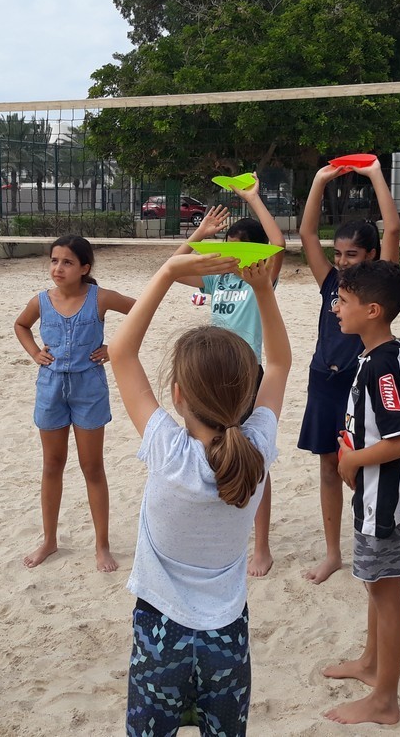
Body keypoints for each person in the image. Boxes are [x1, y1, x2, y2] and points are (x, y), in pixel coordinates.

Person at [108, 251, 290, 737]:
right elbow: (279, 360)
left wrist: (169, 271)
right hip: (226, 637)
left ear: (179, 396)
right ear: (247, 393)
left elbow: (121, 352)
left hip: (160, 634)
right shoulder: (256, 447)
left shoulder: (168, 451)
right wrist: (264, 290)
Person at [172, 174, 286, 576]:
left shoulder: (261, 282)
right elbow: (170, 268)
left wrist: (254, 197)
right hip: (210, 368)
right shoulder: (218, 277)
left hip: (246, 371)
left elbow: (279, 245)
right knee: (208, 446)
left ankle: (262, 546)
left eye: (242, 250)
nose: (233, 257)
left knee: (253, 453)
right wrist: (201, 232)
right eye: (228, 249)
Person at [297, 158, 400, 583]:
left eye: (351, 254)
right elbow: (306, 233)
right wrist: (320, 180)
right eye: (338, 253)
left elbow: (392, 228)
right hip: (324, 379)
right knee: (328, 466)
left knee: (363, 467)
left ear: (372, 255)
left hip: (361, 383)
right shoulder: (329, 284)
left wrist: (375, 172)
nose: (341, 261)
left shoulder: (380, 284)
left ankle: (376, 541)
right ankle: (333, 553)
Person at [321, 261, 400, 726]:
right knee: (376, 586)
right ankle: (372, 662)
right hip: (373, 491)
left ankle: (385, 699)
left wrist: (354, 460)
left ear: (373, 310)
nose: (336, 308)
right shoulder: (382, 354)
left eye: (344, 301)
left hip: (383, 499)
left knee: (385, 591)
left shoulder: (382, 366)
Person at [13, 236, 136, 572]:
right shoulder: (41, 300)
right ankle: (50, 541)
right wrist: (34, 351)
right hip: (50, 389)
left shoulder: (100, 298)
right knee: (52, 465)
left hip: (89, 390)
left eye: (67, 262)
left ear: (85, 268)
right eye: (54, 261)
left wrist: (115, 348)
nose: (58, 268)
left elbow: (142, 309)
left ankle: (102, 545)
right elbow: (21, 325)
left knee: (92, 468)